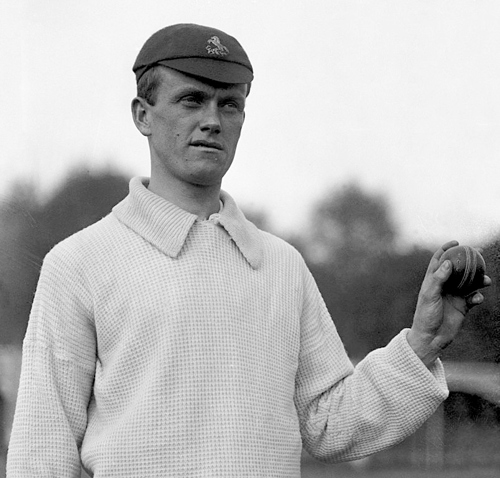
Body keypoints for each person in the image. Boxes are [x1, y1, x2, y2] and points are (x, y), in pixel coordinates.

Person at [7, 23, 490, 477]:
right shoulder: (78, 264)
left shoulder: (282, 266)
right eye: (191, 100)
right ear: (142, 115)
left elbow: (329, 423)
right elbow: (41, 452)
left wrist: (423, 341)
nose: (212, 121)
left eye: (229, 104)